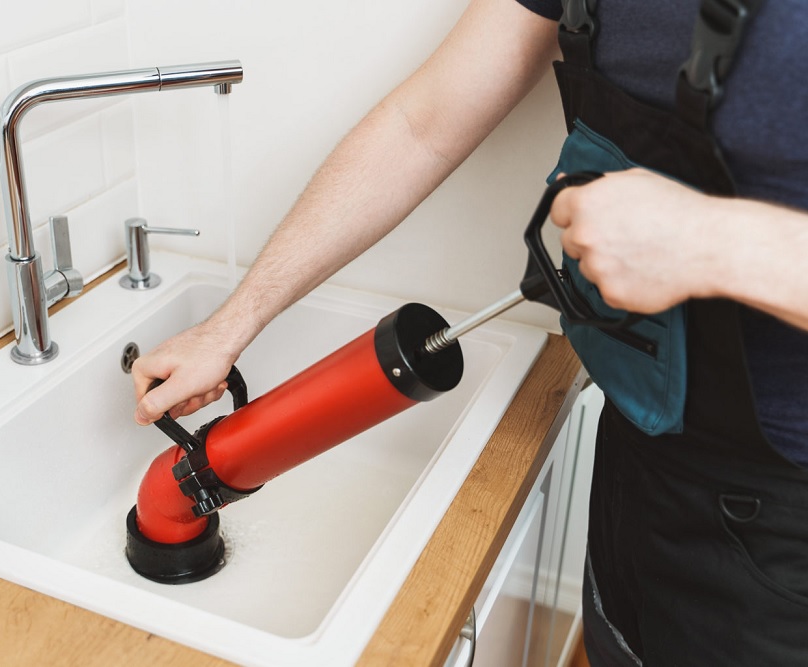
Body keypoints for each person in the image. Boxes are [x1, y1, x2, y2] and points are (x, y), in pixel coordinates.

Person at [132, 0, 808, 663]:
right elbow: (423, 124)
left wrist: (715, 242)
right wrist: (231, 324)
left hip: (784, 514)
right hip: (639, 450)